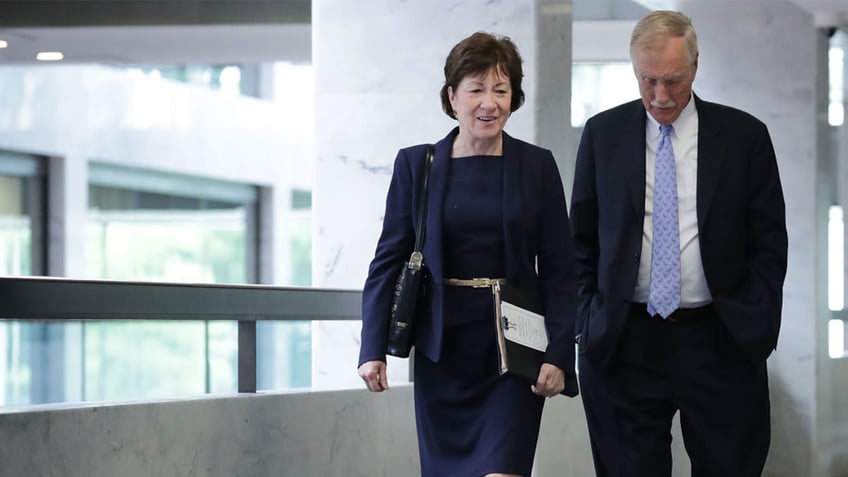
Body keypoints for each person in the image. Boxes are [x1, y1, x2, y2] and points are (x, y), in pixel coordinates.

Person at [570, 10, 788, 477]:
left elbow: (769, 243)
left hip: (721, 339)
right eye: (647, 80)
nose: (659, 96)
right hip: (625, 341)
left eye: (671, 80)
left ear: (694, 66)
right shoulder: (602, 135)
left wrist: (758, 323)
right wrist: (588, 321)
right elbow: (580, 242)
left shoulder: (744, 137)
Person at [357, 31, 578, 477]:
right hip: (443, 351)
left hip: (513, 351)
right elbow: (388, 262)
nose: (489, 102)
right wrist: (371, 346)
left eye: (501, 90)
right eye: (476, 89)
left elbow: (560, 269)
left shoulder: (536, 167)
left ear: (514, 97)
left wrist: (558, 352)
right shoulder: (417, 165)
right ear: (452, 96)